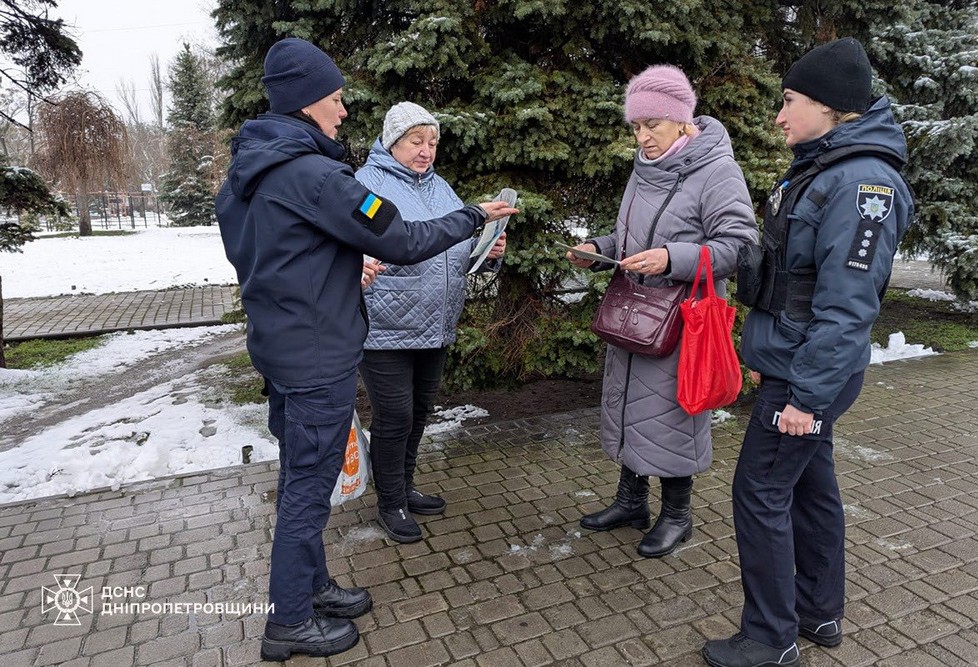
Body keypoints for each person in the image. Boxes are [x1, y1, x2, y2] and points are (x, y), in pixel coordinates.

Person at [214, 38, 517, 662]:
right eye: (335, 99)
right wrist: (472, 217)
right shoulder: (317, 176)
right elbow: (399, 236)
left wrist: (332, 275)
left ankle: (312, 585)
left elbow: (262, 258)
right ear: (305, 103)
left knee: (304, 472)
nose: (345, 111)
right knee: (307, 483)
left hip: (281, 341)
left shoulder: (248, 175)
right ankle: (289, 622)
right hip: (315, 354)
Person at [701, 38, 914, 667]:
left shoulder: (861, 185)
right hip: (800, 366)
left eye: (790, 101)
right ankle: (818, 612)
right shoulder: (830, 168)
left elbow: (847, 306)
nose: (779, 115)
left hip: (806, 376)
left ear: (830, 106)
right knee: (810, 488)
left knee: (759, 490)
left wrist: (805, 397)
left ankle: (769, 637)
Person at [568, 64, 756, 558]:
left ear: (681, 121)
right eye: (636, 126)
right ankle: (631, 501)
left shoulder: (716, 171)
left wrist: (675, 258)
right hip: (635, 312)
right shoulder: (643, 167)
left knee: (673, 414)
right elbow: (631, 237)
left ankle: (678, 516)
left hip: (682, 320)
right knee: (631, 405)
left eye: (652, 124)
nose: (643, 136)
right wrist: (597, 246)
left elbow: (740, 245)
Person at [354, 101, 507, 543]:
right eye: (417, 141)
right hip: (383, 326)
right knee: (395, 416)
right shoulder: (365, 186)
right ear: (392, 141)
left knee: (418, 414)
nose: (427, 151)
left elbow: (455, 246)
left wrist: (487, 253)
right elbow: (359, 243)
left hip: (434, 324)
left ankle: (402, 487)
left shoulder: (441, 188)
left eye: (433, 142)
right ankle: (390, 503)